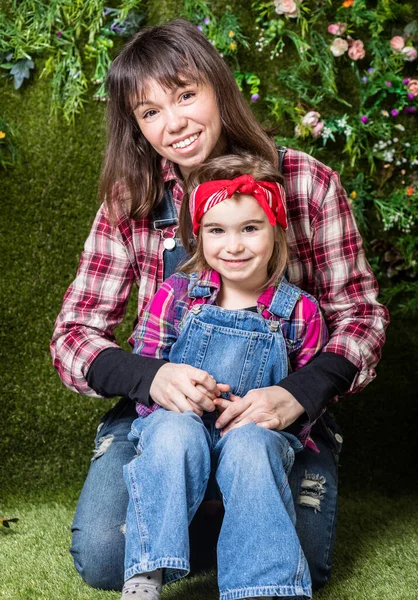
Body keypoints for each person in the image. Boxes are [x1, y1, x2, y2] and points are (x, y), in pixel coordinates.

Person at [50, 18, 389, 594]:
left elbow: (361, 316)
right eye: (149, 111)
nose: (174, 123)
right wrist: (149, 376)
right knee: (107, 556)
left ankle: (228, 524)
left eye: (185, 95)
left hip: (270, 425)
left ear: (218, 86)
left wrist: (299, 393)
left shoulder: (306, 182)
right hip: (168, 423)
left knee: (301, 560)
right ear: (136, 126)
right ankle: (202, 520)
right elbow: (74, 334)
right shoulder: (131, 200)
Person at [121, 153, 328, 600]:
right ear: (199, 234)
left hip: (253, 435)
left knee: (252, 444)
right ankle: (145, 574)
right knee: (173, 432)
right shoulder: (177, 295)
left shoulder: (298, 311)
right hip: (179, 424)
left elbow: (309, 396)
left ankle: (262, 587)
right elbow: (149, 363)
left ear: (276, 229)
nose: (233, 246)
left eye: (250, 229)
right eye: (217, 231)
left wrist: (277, 416)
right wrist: (174, 397)